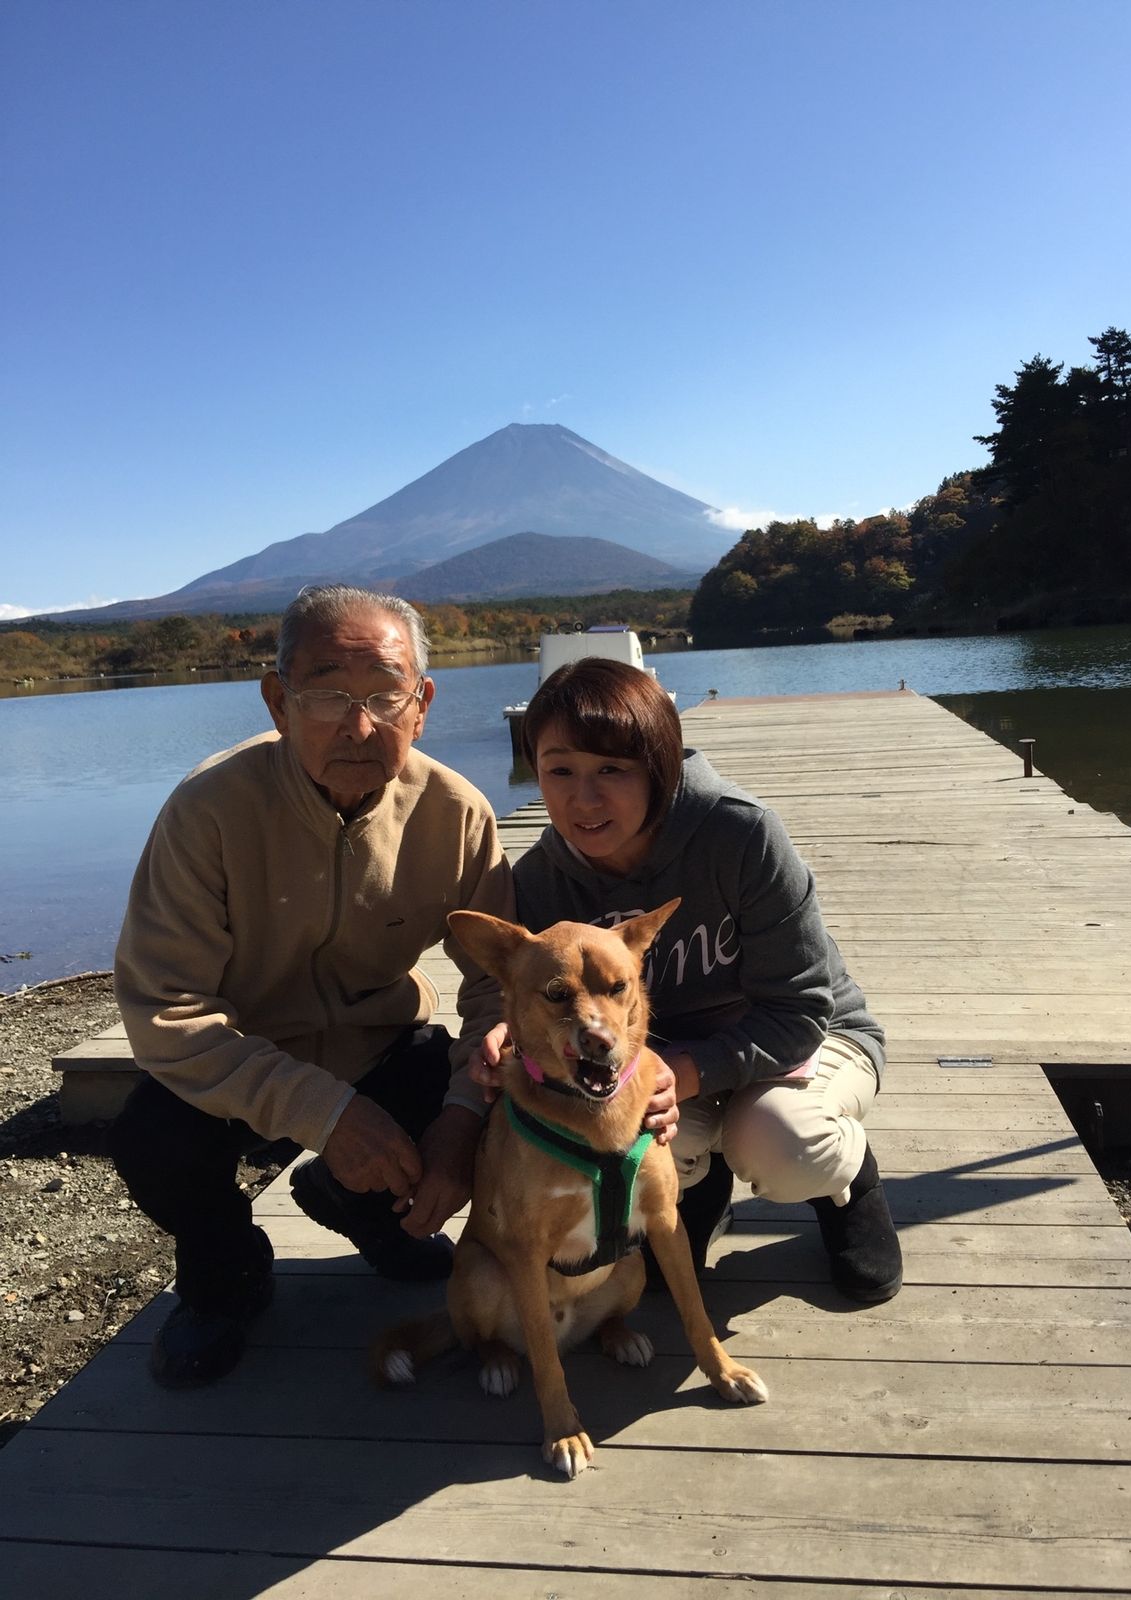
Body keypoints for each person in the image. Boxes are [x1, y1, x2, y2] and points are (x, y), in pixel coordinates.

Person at [110, 585, 513, 1388]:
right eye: (327, 695)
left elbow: (500, 988)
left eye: (384, 695)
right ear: (279, 701)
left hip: (383, 1043)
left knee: (477, 1090)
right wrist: (324, 1112)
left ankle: (363, 1206)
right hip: (244, 1058)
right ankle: (227, 1280)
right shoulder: (209, 811)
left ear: (422, 703)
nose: (358, 726)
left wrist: (464, 1116)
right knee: (153, 1140)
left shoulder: (456, 813)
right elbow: (164, 1011)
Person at [475, 657, 901, 1303]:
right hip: (657, 1064)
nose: (583, 799)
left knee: (785, 1144)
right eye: (560, 770)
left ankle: (851, 1186)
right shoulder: (538, 883)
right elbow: (505, 993)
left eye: (611, 771)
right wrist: (499, 1033)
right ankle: (697, 1192)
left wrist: (688, 1071)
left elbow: (800, 1008)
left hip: (803, 1038)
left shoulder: (742, 834)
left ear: (660, 768)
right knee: (621, 1134)